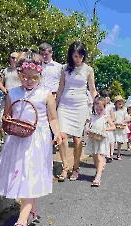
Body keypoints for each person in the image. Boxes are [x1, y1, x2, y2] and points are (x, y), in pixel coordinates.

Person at [0, 51, 62, 226]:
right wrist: (6, 121)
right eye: (25, 77)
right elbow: (7, 114)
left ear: (40, 75)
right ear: (19, 74)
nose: (29, 81)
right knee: (20, 177)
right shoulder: (12, 93)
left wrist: (58, 133)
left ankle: (21, 223)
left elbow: (52, 117)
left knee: (30, 176)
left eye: (34, 77)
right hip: (16, 139)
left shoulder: (45, 94)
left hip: (37, 141)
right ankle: (31, 210)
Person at [55, 41, 97, 182]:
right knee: (61, 135)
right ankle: (65, 166)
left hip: (80, 105)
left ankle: (76, 167)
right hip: (65, 104)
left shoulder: (88, 70)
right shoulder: (65, 69)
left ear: (84, 55)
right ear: (70, 56)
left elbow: (92, 90)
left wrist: (99, 103)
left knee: (77, 139)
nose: (78, 59)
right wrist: (54, 105)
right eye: (75, 56)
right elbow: (60, 87)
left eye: (80, 56)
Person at [84, 96, 115, 187]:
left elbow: (113, 127)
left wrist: (106, 129)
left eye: (101, 109)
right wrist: (87, 130)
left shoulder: (106, 117)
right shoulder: (92, 117)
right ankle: (98, 169)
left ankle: (98, 177)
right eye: (97, 109)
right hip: (93, 139)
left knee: (100, 156)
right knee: (95, 157)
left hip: (102, 139)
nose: (98, 111)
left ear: (104, 108)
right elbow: (89, 126)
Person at [98, 89, 115, 163]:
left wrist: (109, 121)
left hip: (108, 125)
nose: (107, 98)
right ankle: (102, 154)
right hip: (100, 125)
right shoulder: (98, 105)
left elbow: (113, 117)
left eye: (109, 97)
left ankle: (109, 155)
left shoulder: (110, 107)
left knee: (109, 141)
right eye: (105, 96)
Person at [113, 95, 130, 160]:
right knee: (112, 141)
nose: (120, 103)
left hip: (121, 127)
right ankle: (110, 154)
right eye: (118, 102)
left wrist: (123, 121)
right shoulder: (113, 110)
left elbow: (127, 118)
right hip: (114, 126)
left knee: (120, 142)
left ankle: (118, 154)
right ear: (115, 103)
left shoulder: (124, 110)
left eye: (121, 102)